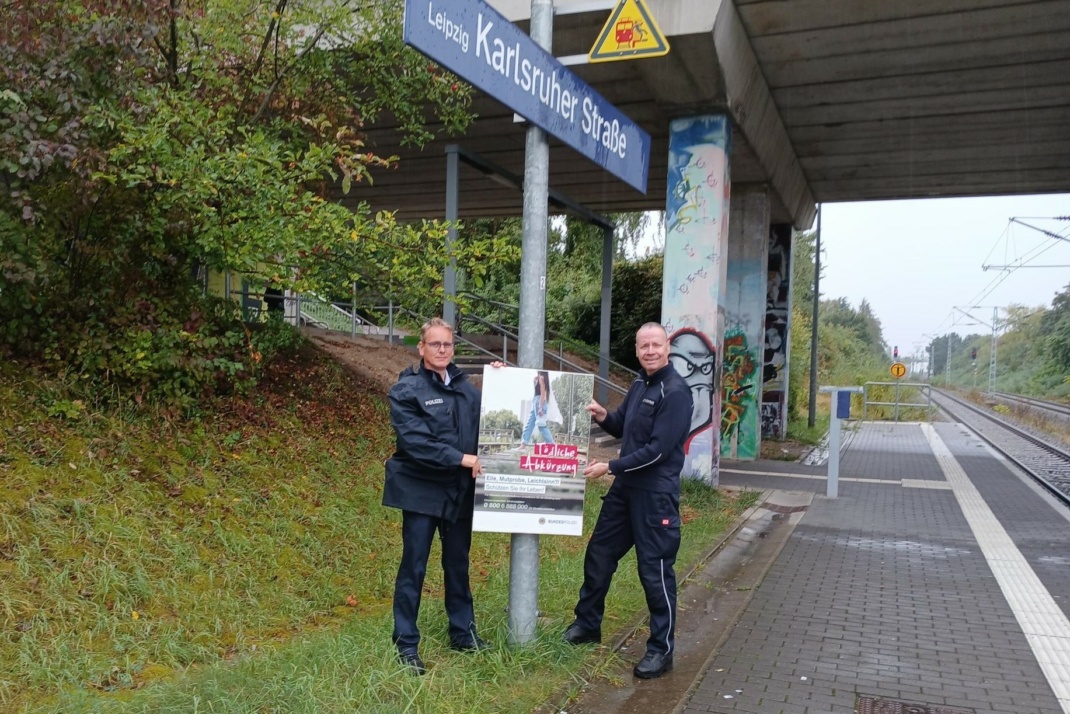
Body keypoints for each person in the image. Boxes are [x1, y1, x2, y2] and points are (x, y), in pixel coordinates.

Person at [562, 322, 693, 680]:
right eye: (643, 346)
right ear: (636, 350)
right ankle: (587, 625)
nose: (649, 351)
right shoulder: (640, 384)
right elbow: (623, 425)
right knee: (599, 555)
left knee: (655, 573)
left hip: (655, 497)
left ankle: (660, 651)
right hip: (624, 493)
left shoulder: (676, 392)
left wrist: (609, 466)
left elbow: (658, 451)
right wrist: (601, 413)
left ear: (667, 348)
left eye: (656, 345)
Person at [382, 317, 490, 675]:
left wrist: (503, 381)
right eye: (435, 344)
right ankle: (406, 644)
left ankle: (463, 633)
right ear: (422, 347)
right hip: (421, 490)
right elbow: (416, 443)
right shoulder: (406, 390)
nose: (442, 350)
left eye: (448, 344)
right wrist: (463, 459)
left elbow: (491, 418)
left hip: (458, 492)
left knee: (457, 565)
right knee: (414, 567)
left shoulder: (466, 389)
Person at [512, 370, 556, 451]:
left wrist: (540, 407)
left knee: (541, 425)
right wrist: (534, 382)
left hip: (540, 402)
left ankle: (551, 444)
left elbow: (543, 393)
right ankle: (523, 444)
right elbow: (537, 392)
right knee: (529, 424)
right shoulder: (538, 378)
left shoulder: (542, 378)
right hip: (535, 402)